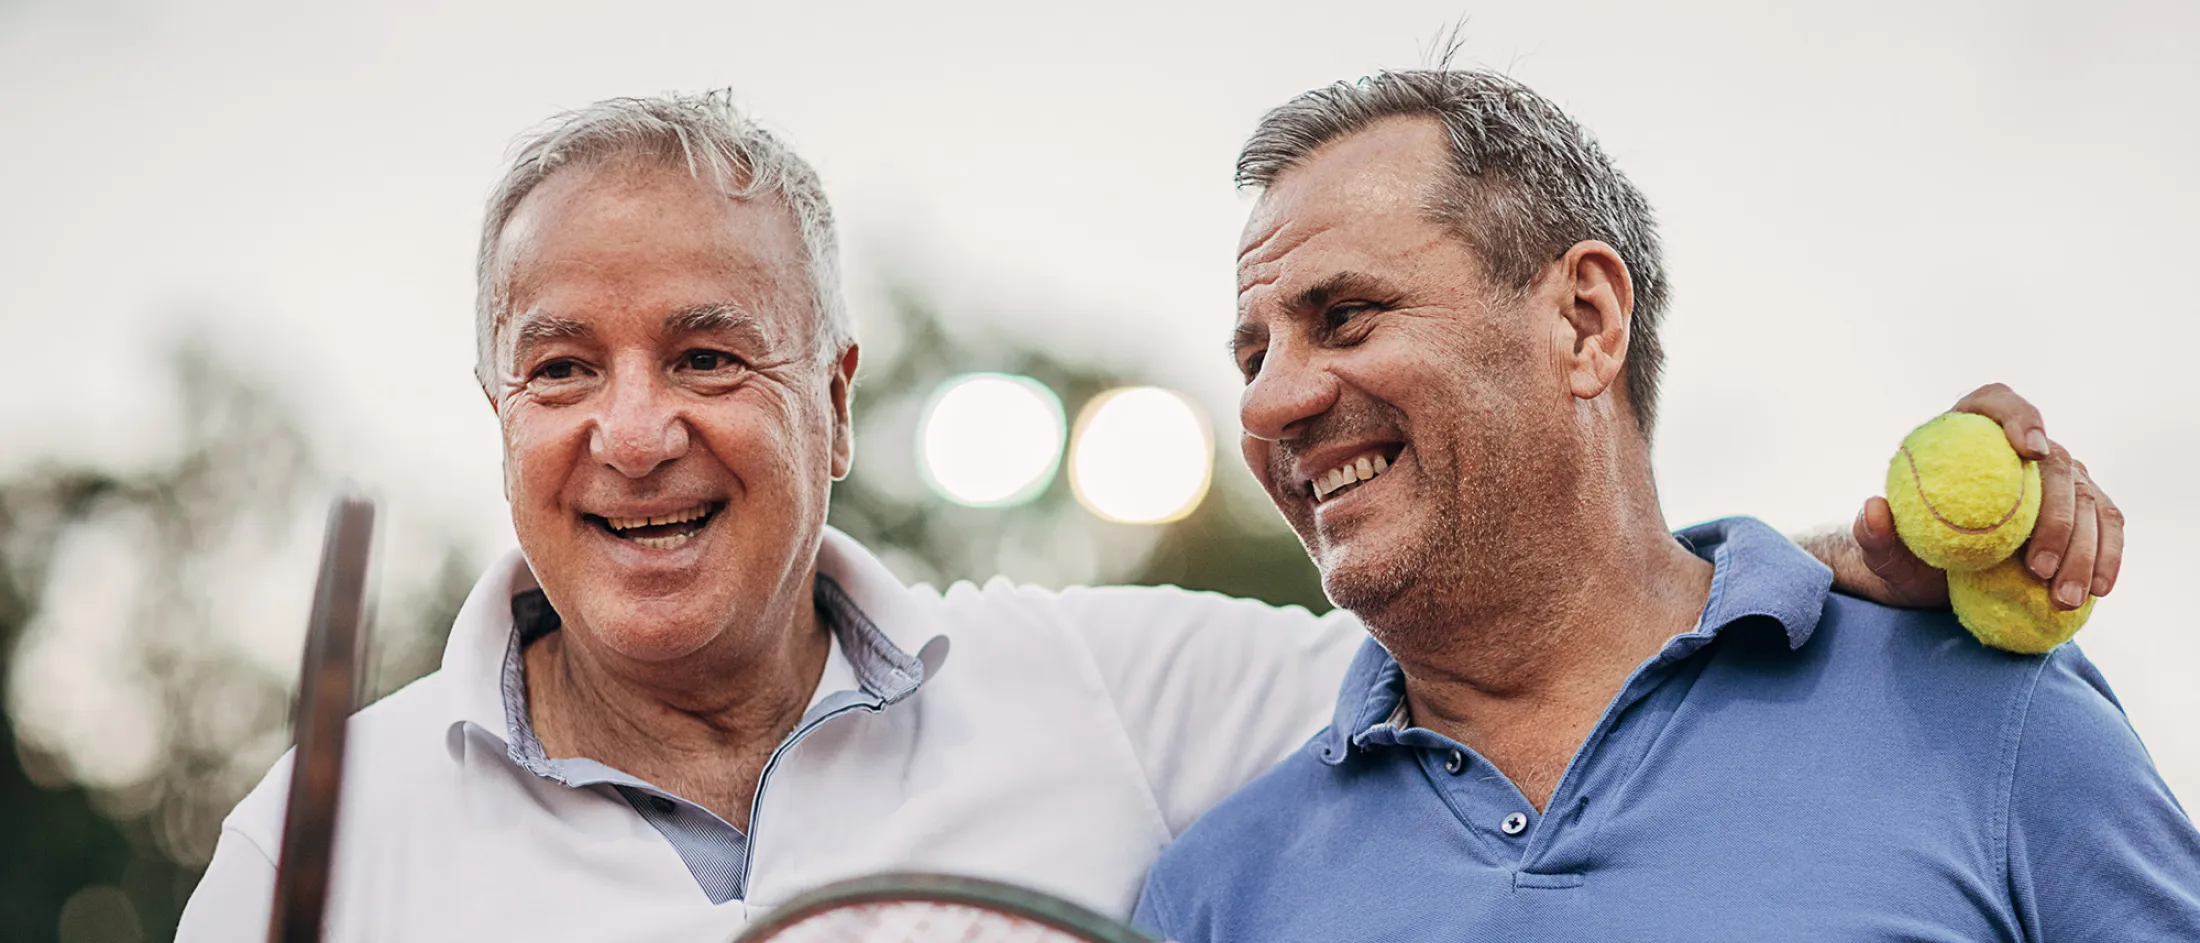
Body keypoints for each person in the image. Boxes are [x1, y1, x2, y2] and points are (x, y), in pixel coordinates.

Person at [175, 91, 2124, 940]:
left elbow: (1544, 642)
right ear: (497, 413)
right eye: (558, 369)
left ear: (834, 402)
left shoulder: (1124, 695)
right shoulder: (309, 851)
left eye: (707, 354)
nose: (631, 434)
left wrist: (1805, 570)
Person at [1132, 68, 2196, 943]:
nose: (1270, 400)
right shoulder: (1214, 894)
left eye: (1347, 316)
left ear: (1585, 321)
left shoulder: (1992, 717)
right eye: (1251, 353)